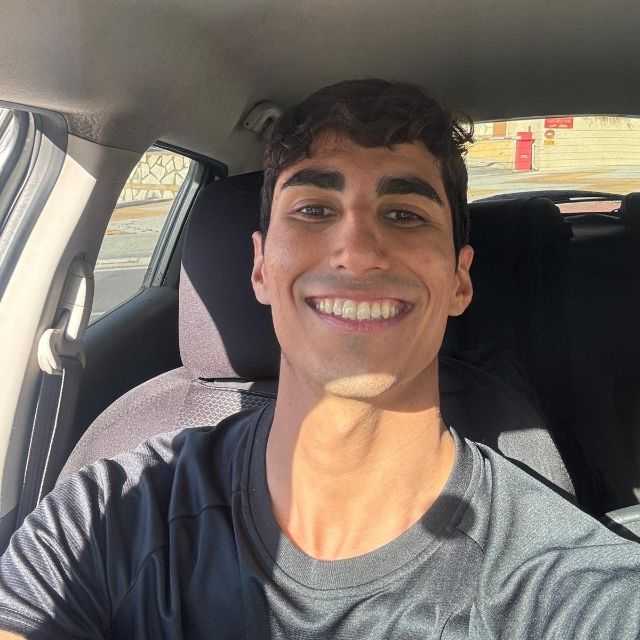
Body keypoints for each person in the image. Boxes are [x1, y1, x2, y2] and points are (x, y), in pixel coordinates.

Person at [0, 79, 639, 640]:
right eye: (313, 209)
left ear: (459, 281)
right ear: (259, 267)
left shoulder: (563, 581)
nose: (356, 252)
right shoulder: (108, 513)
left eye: (404, 214)